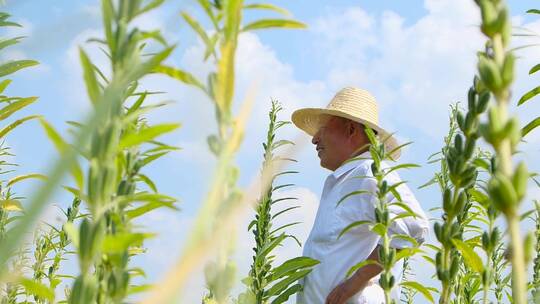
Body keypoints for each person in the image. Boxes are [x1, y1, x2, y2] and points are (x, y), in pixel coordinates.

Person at [291, 87, 429, 304]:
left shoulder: (370, 172)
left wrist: (355, 282)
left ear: (351, 129)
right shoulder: (347, 178)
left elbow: (414, 227)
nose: (314, 139)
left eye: (323, 129)